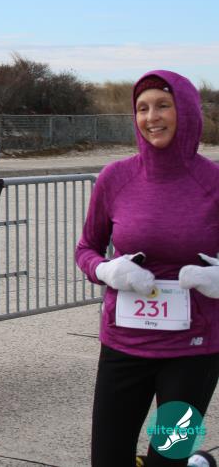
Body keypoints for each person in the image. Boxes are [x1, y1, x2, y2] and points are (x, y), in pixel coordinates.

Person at [76, 70, 219, 467]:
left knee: (167, 459)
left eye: (163, 105)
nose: (151, 117)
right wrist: (106, 271)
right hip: (124, 344)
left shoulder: (213, 182)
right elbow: (87, 249)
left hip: (193, 349)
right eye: (142, 108)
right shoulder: (115, 178)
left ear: (186, 111)